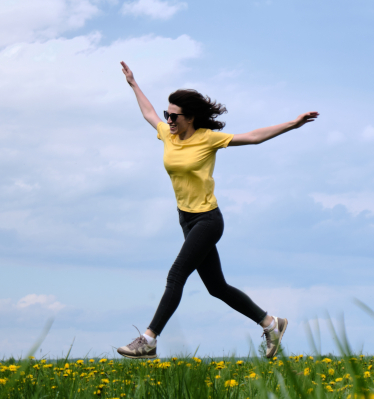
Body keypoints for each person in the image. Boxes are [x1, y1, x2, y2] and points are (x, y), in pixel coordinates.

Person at [116, 61, 318, 359]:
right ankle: (271, 323)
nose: (168, 119)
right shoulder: (167, 134)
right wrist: (134, 84)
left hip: (208, 220)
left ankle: (148, 339)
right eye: (167, 114)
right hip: (185, 220)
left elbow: (253, 136)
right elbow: (148, 112)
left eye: (175, 116)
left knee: (176, 276)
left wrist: (292, 124)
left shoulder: (208, 139)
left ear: (191, 118)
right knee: (217, 287)